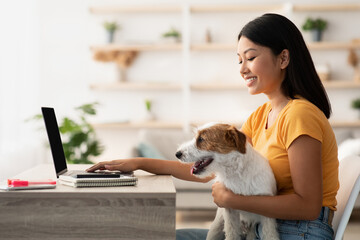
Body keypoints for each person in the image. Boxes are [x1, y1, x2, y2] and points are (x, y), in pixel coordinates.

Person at [87, 13, 339, 240]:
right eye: (239, 60)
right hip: (265, 227)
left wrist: (232, 199)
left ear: (283, 58)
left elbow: (307, 206)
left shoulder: (300, 115)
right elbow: (209, 168)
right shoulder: (261, 115)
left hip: (298, 231)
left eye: (250, 58)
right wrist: (140, 163)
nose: (242, 69)